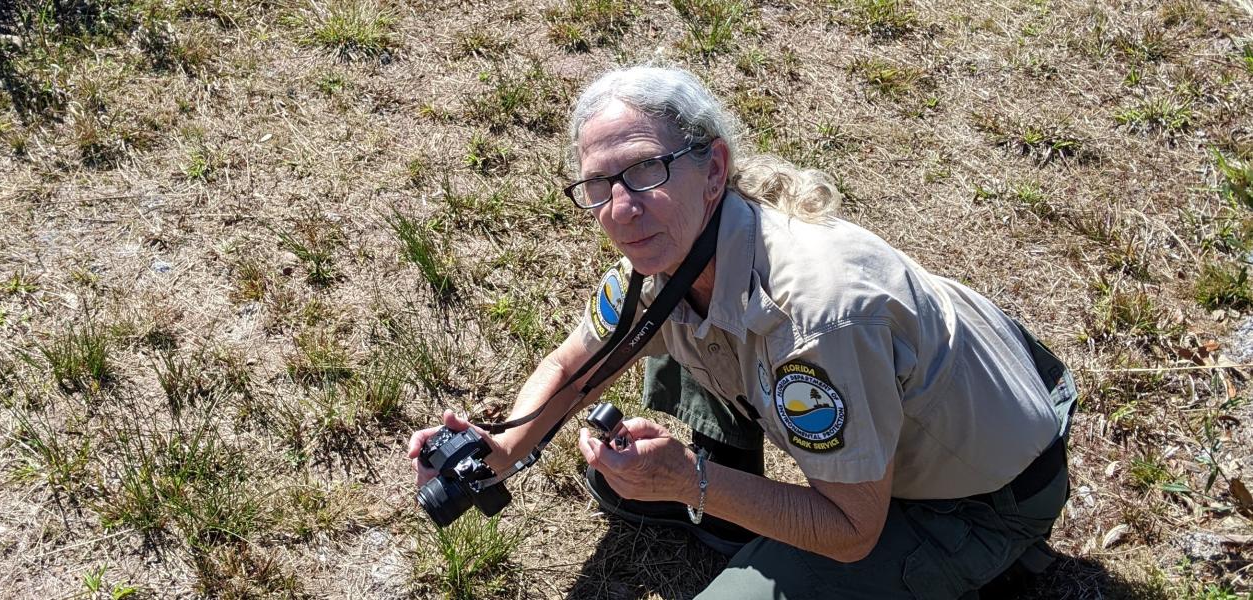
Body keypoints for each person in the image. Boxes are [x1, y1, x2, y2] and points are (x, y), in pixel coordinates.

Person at [407, 65, 1077, 599]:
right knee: (658, 332)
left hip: (983, 495)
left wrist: (685, 479)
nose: (619, 208)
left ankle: (987, 559)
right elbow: (580, 362)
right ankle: (730, 501)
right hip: (976, 387)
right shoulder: (675, 255)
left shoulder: (814, 316)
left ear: (715, 168)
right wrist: (497, 450)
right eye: (598, 184)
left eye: (644, 169)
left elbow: (851, 532)